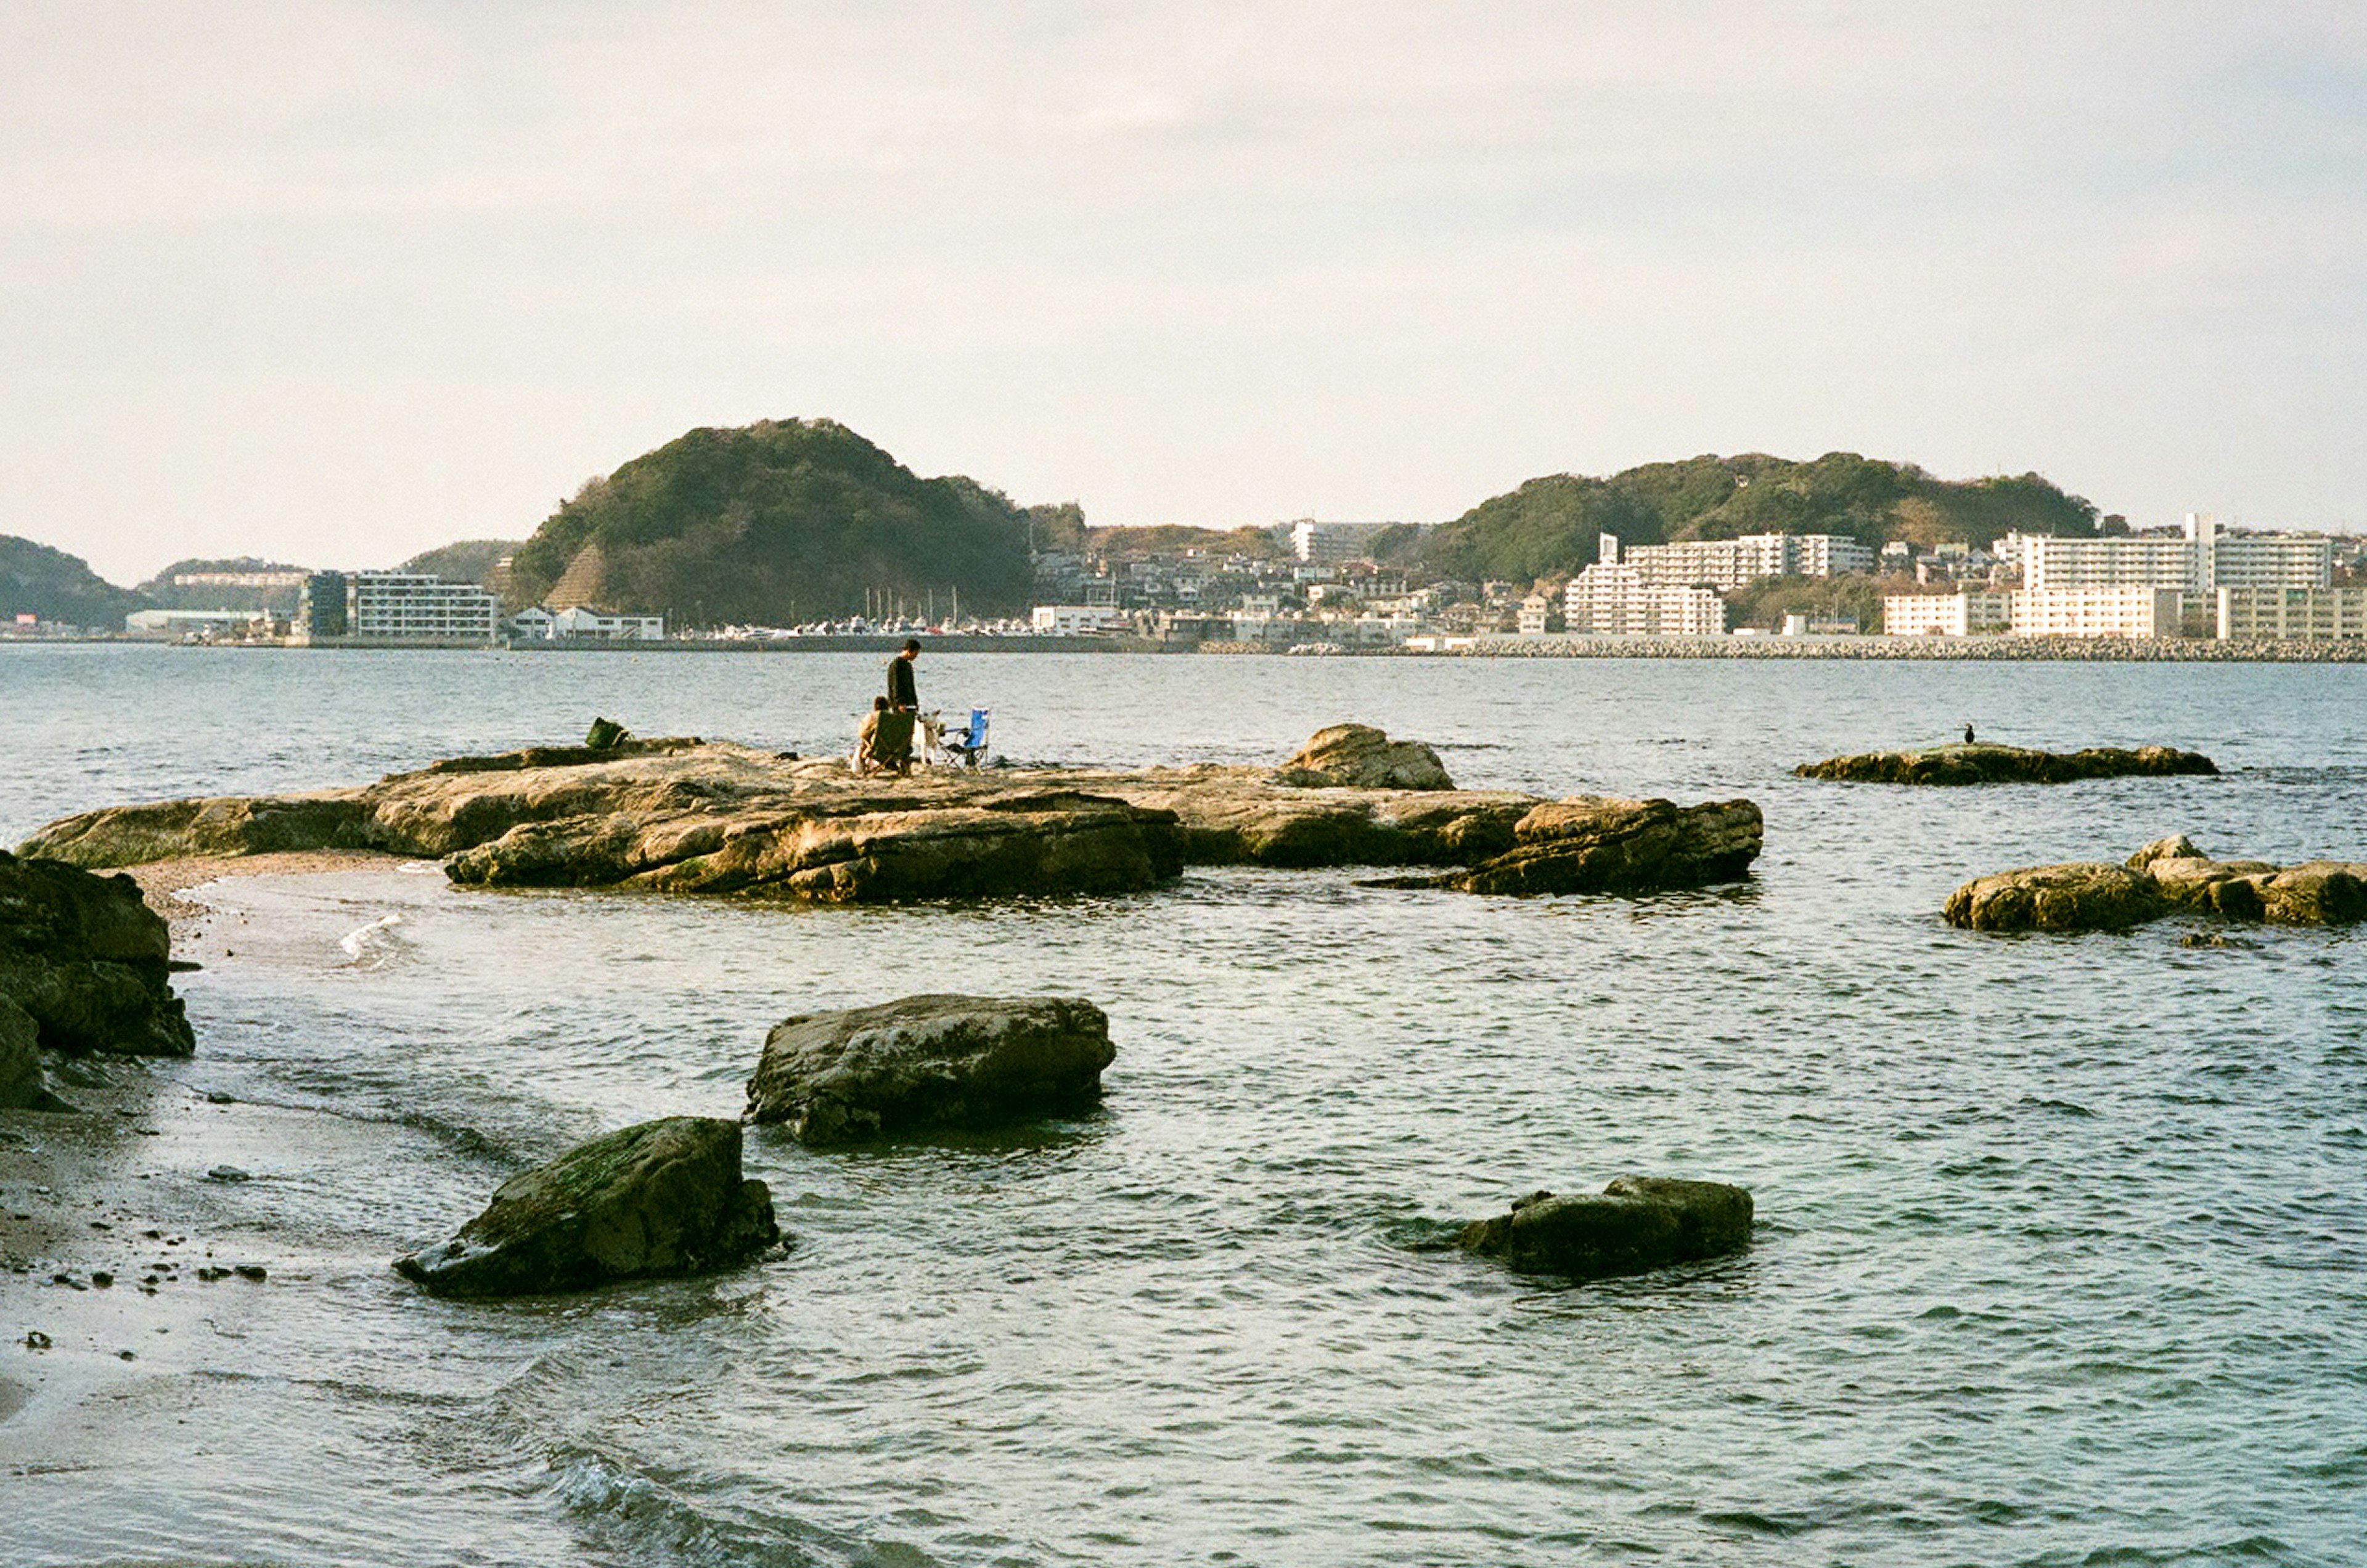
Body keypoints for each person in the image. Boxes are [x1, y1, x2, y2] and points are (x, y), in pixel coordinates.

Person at [887, 639, 920, 711]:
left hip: (910, 704)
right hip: (899, 705)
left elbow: (911, 686)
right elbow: (895, 685)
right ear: (909, 651)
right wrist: (900, 703)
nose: (916, 657)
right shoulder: (896, 665)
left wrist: (915, 702)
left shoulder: (908, 666)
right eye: (915, 654)